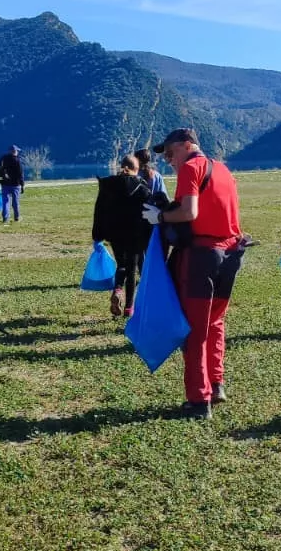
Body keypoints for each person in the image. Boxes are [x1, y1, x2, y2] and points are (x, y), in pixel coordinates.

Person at [141, 128, 243, 420]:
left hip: (201, 258)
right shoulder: (222, 169)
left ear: (187, 146)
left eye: (171, 153)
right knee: (215, 322)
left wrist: (160, 216)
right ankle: (216, 383)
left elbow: (189, 212)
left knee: (195, 329)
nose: (169, 160)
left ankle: (199, 400)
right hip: (230, 254)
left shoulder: (191, 168)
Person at [92, 155, 153, 317]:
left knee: (121, 264)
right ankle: (128, 308)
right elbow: (148, 214)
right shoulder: (142, 187)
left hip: (114, 232)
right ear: (137, 169)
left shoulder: (108, 185)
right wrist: (149, 237)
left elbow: (99, 210)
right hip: (135, 234)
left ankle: (118, 289)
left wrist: (97, 235)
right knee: (132, 270)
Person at [0, 144, 25, 223]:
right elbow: (20, 174)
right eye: (17, 151)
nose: (17, 152)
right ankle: (17, 217)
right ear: (15, 151)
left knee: (5, 201)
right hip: (15, 185)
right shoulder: (17, 160)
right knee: (15, 202)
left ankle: (5, 218)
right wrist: (22, 185)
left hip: (5, 184)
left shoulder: (3, 159)